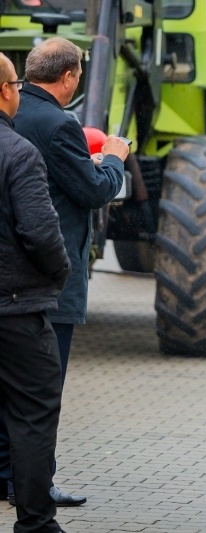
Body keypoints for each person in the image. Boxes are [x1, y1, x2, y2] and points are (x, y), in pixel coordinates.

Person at [0, 36, 129, 507]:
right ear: (71, 76)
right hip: (48, 280)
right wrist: (113, 157)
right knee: (41, 394)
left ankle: (5, 475)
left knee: (7, 390)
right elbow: (96, 191)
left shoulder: (17, 116)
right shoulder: (59, 124)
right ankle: (34, 485)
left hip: (7, 276)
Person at [0, 51, 71, 533]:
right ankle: (35, 524)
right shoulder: (18, 152)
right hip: (16, 311)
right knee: (31, 416)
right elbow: (42, 234)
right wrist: (59, 274)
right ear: (7, 92)